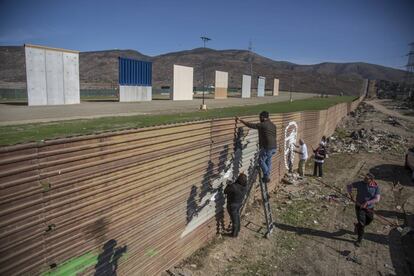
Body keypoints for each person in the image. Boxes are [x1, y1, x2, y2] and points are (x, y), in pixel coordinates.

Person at [236, 111, 277, 183]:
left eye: (260, 117)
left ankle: (266, 176)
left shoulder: (263, 125)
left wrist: (241, 120)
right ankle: (266, 176)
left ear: (263, 118)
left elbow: (251, 125)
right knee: (268, 161)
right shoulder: (273, 125)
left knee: (261, 160)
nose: (259, 118)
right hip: (274, 147)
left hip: (267, 147)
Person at [347, 173, 381, 247]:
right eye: (364, 178)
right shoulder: (360, 183)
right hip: (359, 207)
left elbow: (377, 199)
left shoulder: (376, 187)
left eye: (367, 178)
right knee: (362, 224)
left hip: (369, 208)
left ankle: (357, 226)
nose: (364, 179)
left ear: (371, 180)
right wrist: (350, 194)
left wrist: (367, 203)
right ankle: (359, 240)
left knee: (369, 220)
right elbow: (349, 185)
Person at [224, 173, 248, 237]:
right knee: (237, 217)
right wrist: (232, 184)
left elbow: (225, 191)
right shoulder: (245, 186)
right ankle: (238, 229)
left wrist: (228, 185)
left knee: (234, 220)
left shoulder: (234, 186)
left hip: (232, 205)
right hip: (239, 204)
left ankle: (234, 234)